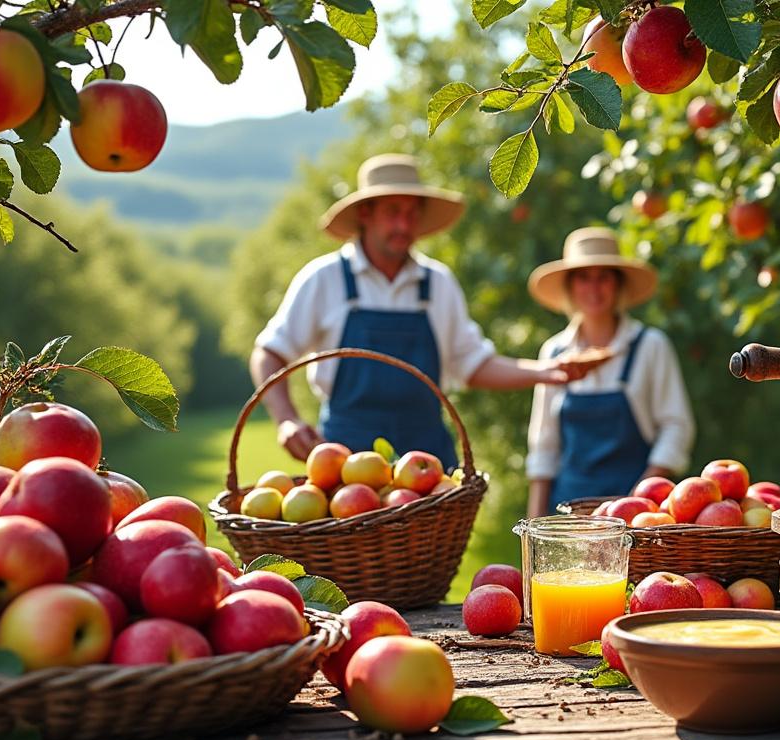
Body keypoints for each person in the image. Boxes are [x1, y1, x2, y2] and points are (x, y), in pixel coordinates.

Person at [251, 154, 600, 468]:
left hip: (428, 465)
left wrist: (545, 371)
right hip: (345, 464)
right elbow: (268, 354)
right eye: (393, 213)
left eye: (411, 213)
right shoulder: (323, 280)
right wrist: (286, 419)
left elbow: (473, 365)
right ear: (365, 214)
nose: (404, 226)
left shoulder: (438, 283)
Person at [525, 227, 695, 516]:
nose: (594, 288)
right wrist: (534, 524)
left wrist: (637, 502)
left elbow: (676, 427)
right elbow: (544, 447)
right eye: (584, 278)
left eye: (603, 277)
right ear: (570, 286)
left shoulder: (650, 346)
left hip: (638, 513)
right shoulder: (554, 353)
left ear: (618, 284)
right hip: (569, 515)